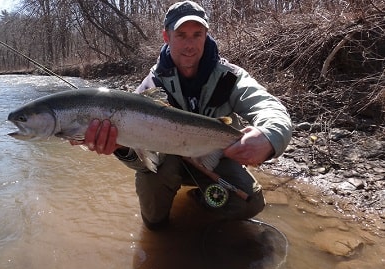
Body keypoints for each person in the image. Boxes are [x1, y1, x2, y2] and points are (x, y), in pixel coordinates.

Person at [71, 1, 292, 230]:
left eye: (197, 34)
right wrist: (120, 149)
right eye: (181, 35)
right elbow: (142, 160)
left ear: (206, 35)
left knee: (251, 202)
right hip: (166, 164)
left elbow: (271, 108)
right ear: (166, 37)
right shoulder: (151, 86)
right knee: (154, 220)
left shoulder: (230, 77)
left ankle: (198, 203)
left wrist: (268, 135)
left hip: (213, 158)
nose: (190, 44)